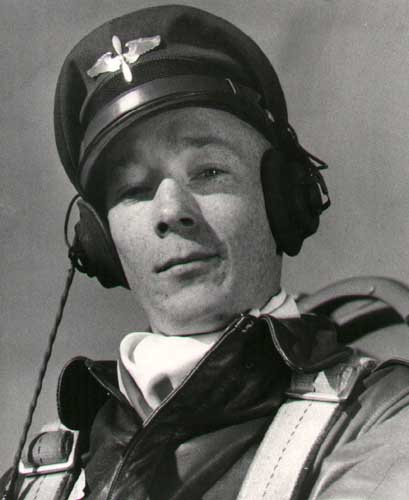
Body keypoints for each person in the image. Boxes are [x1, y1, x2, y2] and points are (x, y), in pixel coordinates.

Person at [2, 4, 409, 500]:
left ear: (282, 196)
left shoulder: (382, 420)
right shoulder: (40, 480)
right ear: (100, 242)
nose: (170, 210)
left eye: (209, 171)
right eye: (134, 189)